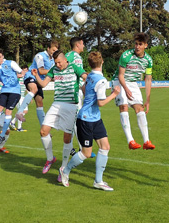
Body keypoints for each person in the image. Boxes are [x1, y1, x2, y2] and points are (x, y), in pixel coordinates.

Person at [59, 52, 121, 190]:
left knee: (105, 147)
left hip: (95, 119)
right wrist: (114, 94)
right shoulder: (101, 80)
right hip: (86, 120)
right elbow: (101, 102)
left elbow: (83, 89)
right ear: (102, 62)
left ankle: (98, 181)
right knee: (86, 153)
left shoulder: (90, 76)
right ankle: (65, 170)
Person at [33, 50, 87, 175]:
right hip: (56, 104)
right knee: (43, 131)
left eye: (59, 62)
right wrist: (36, 75)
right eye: (56, 63)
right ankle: (50, 159)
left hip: (71, 106)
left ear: (65, 60)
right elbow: (43, 84)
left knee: (67, 138)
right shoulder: (54, 69)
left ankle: (63, 168)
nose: (58, 65)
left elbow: (86, 76)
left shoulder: (75, 67)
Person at [112, 33, 155, 150]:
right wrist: (125, 89)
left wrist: (148, 100)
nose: (137, 47)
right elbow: (120, 75)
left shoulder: (148, 61)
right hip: (119, 82)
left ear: (145, 45)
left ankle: (146, 141)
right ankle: (130, 141)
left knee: (140, 109)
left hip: (133, 83)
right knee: (124, 107)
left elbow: (148, 79)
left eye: (140, 44)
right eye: (136, 44)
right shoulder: (126, 55)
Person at [0, 48, 25, 146]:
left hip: (15, 91)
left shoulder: (11, 63)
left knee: (7, 112)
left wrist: (20, 75)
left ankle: (2, 135)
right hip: (4, 90)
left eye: (0, 57)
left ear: (3, 56)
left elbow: (21, 72)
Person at [15, 40, 59, 126]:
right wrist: (56, 72)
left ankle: (43, 127)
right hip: (31, 76)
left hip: (39, 81)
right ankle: (20, 112)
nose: (54, 53)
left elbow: (51, 73)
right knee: (34, 89)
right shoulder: (40, 56)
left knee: (40, 102)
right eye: (53, 50)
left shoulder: (53, 60)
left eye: (56, 51)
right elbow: (41, 71)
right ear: (48, 48)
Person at [10, 65, 29, 132]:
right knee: (21, 111)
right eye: (24, 70)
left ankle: (12, 122)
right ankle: (19, 128)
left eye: (26, 70)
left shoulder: (26, 78)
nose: (25, 71)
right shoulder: (18, 77)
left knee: (25, 111)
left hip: (23, 96)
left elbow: (26, 87)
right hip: (18, 96)